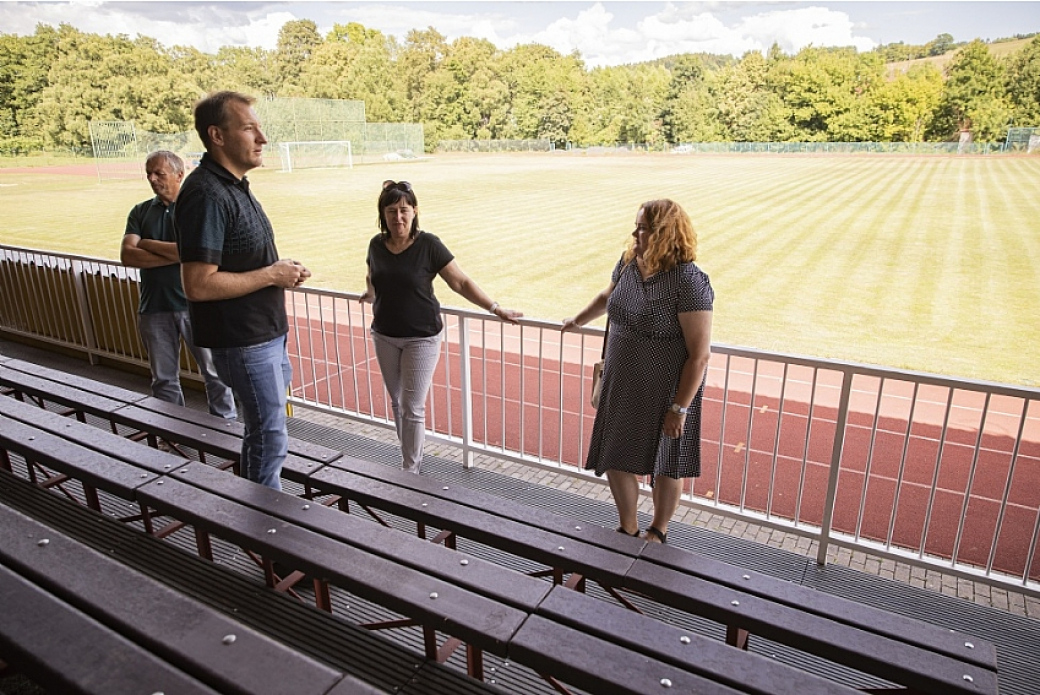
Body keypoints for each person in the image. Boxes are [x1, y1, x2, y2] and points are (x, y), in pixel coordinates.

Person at [174, 91, 311, 491]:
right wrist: (271, 275)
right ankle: (264, 529)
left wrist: (283, 271)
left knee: (267, 430)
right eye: (249, 128)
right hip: (245, 341)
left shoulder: (233, 186)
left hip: (264, 334)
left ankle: (260, 515)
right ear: (217, 135)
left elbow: (242, 258)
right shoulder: (206, 194)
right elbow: (197, 285)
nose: (262, 138)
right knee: (269, 435)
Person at [561, 199, 713, 544]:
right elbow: (608, 296)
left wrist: (679, 408)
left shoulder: (689, 281)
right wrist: (578, 319)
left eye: (642, 227)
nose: (635, 233)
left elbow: (699, 356)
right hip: (623, 380)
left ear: (663, 233)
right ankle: (628, 526)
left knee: (667, 461)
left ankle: (658, 529)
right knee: (615, 453)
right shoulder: (629, 262)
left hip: (666, 390)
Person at [360, 180, 522, 473]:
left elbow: (460, 282)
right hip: (384, 334)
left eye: (404, 210)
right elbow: (373, 272)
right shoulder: (376, 244)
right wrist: (370, 291)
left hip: (421, 338)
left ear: (415, 211)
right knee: (397, 404)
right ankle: (410, 455)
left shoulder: (429, 245)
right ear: (382, 214)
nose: (398, 217)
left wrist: (495, 308)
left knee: (412, 406)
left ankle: (410, 469)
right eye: (391, 210)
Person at [120, 150, 236, 420]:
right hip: (153, 308)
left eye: (159, 173)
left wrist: (147, 244)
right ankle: (171, 432)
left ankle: (226, 431)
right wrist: (182, 254)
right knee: (163, 379)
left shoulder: (199, 208)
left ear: (179, 175)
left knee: (216, 375)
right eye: (149, 173)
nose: (152, 178)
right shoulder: (140, 211)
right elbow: (128, 255)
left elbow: (205, 253)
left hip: (198, 307)